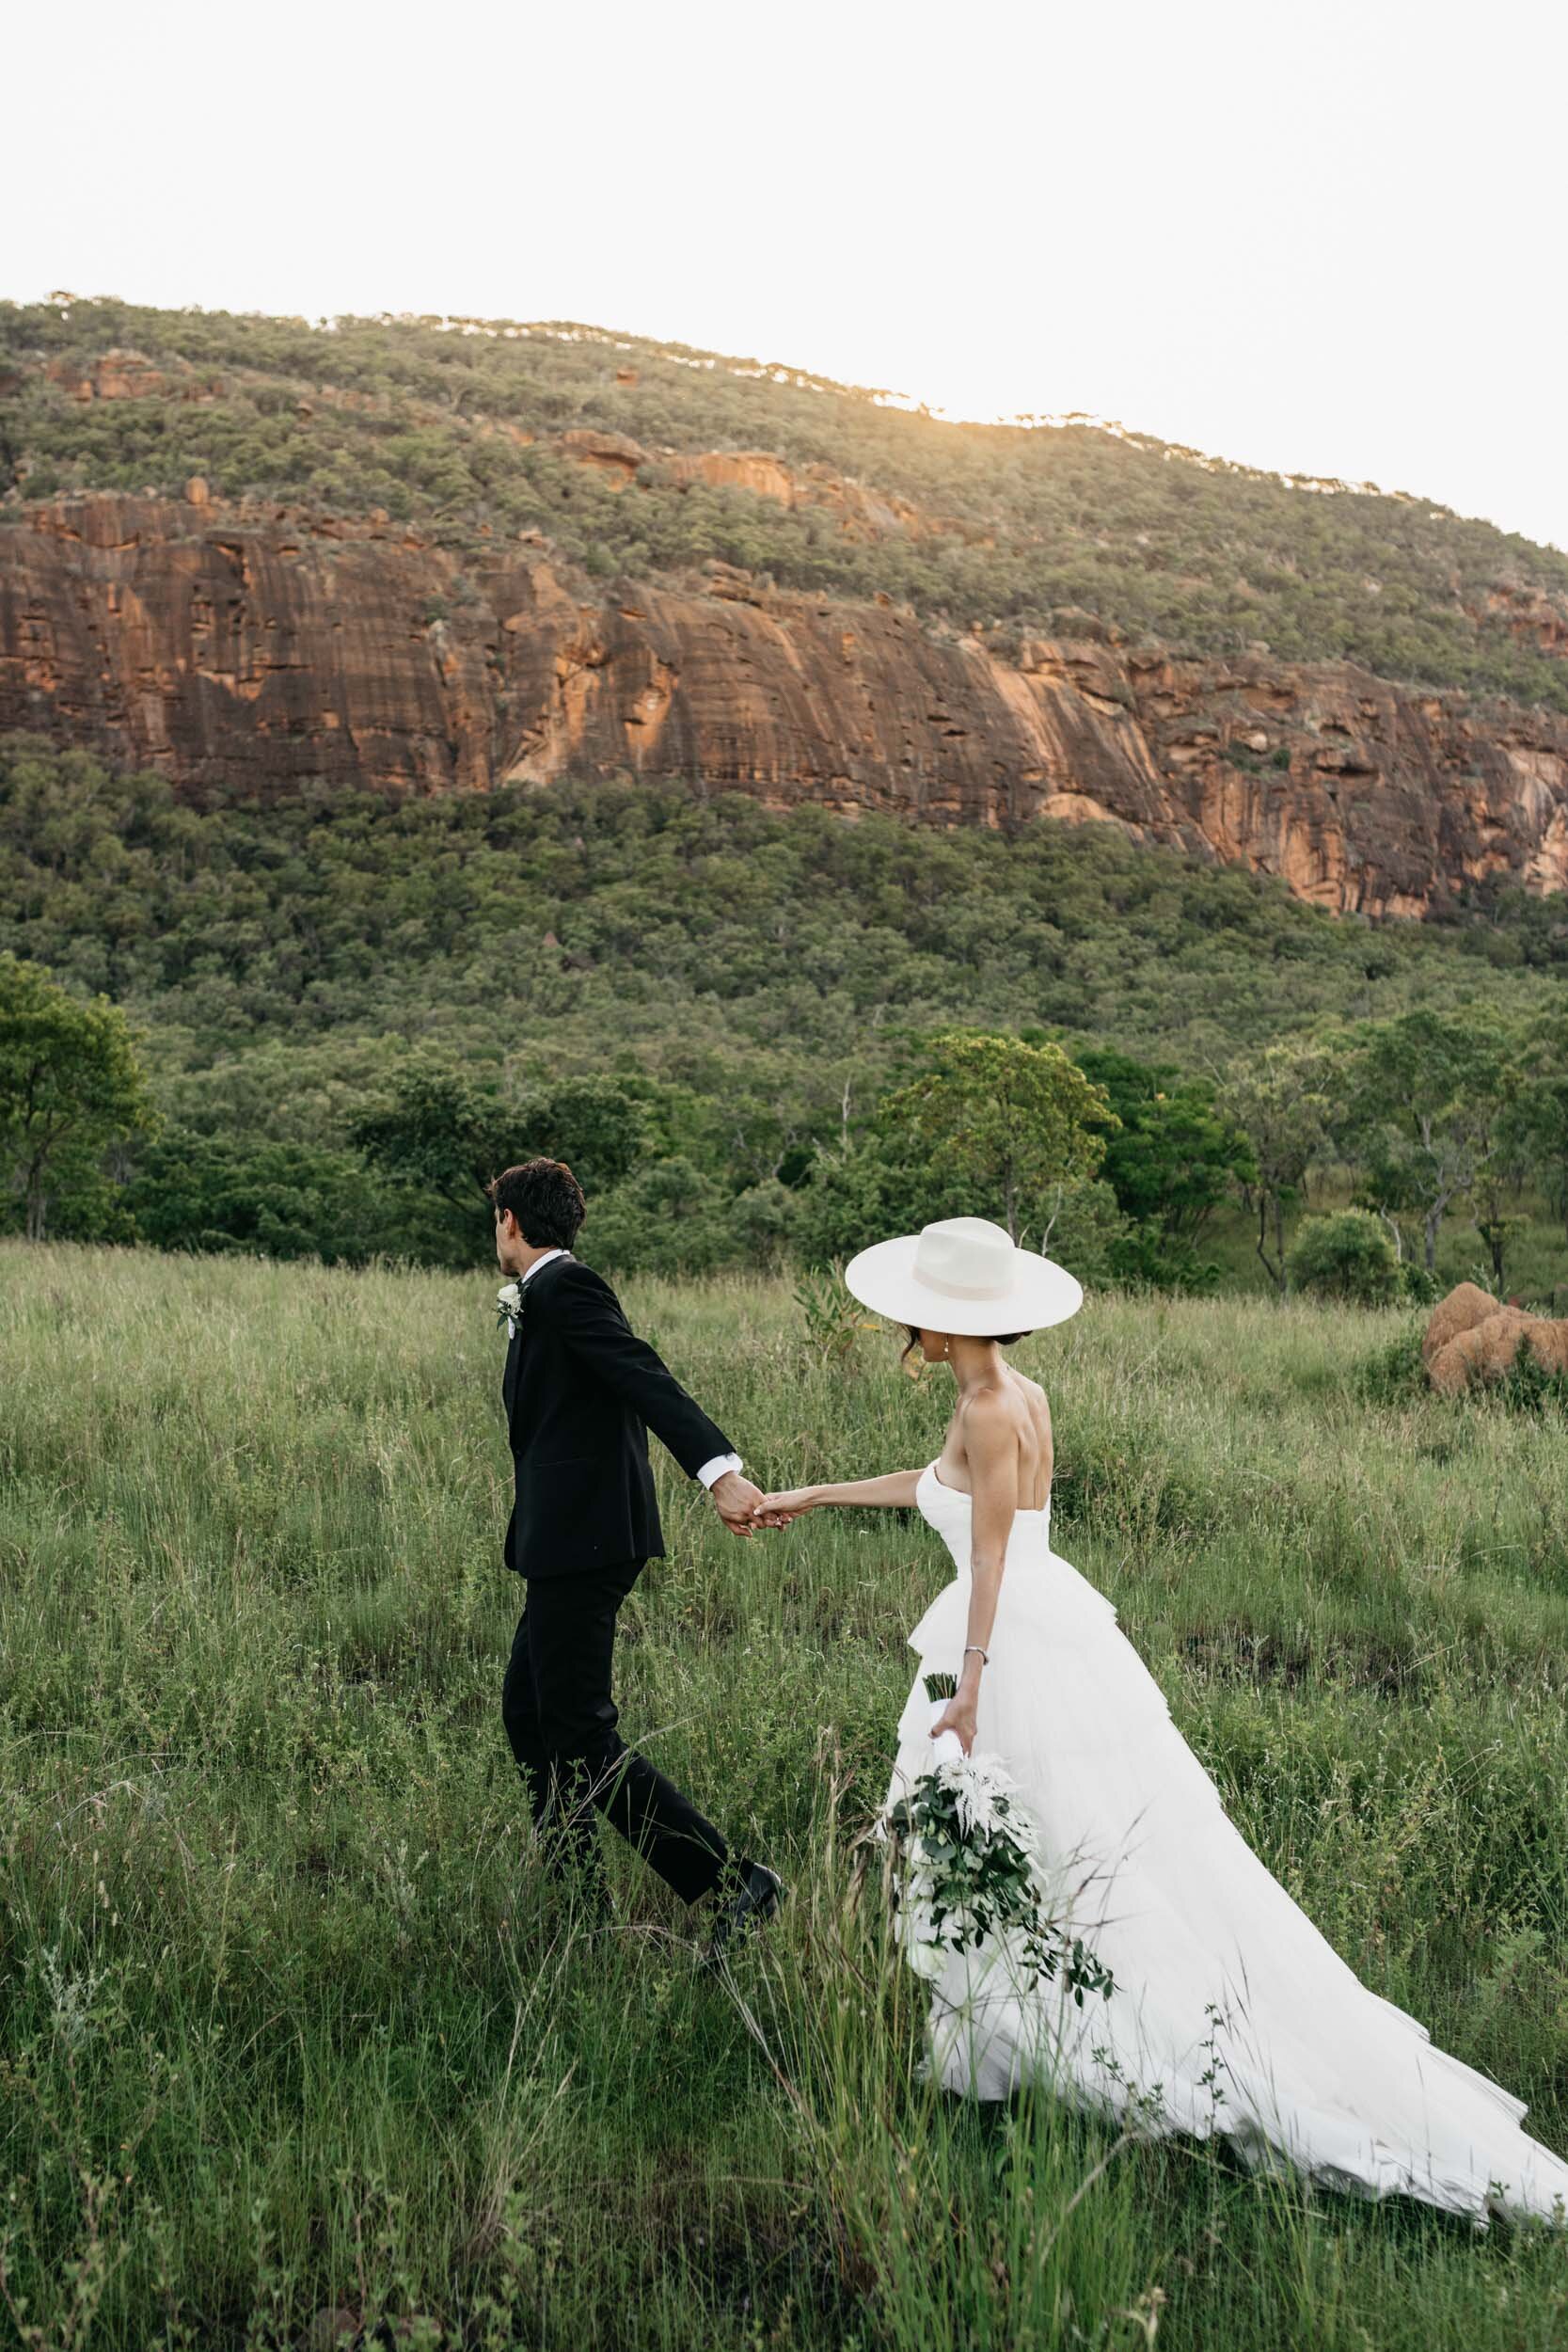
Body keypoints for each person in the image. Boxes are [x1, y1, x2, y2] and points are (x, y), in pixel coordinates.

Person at [752, 1215, 1568, 2228]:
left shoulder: (993, 1407)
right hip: (1041, 1628)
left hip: (1010, 1641)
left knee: (1064, 1850)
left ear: (936, 1319)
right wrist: (812, 1493)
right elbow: (940, 1494)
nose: (900, 1333)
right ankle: (1011, 2041)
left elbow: (994, 1560)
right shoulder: (1000, 1395)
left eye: (909, 1318)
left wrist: (966, 1688)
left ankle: (1113, 2047)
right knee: (1043, 1844)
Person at [490, 1156, 783, 1958]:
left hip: (586, 1542)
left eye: (495, 1221)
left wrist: (719, 1474)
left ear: (511, 1222)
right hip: (566, 1540)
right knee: (529, 1716)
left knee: (580, 1733)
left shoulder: (563, 1288)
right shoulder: (543, 1297)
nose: (495, 1234)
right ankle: (581, 1900)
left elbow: (641, 1373)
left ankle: (733, 1885)